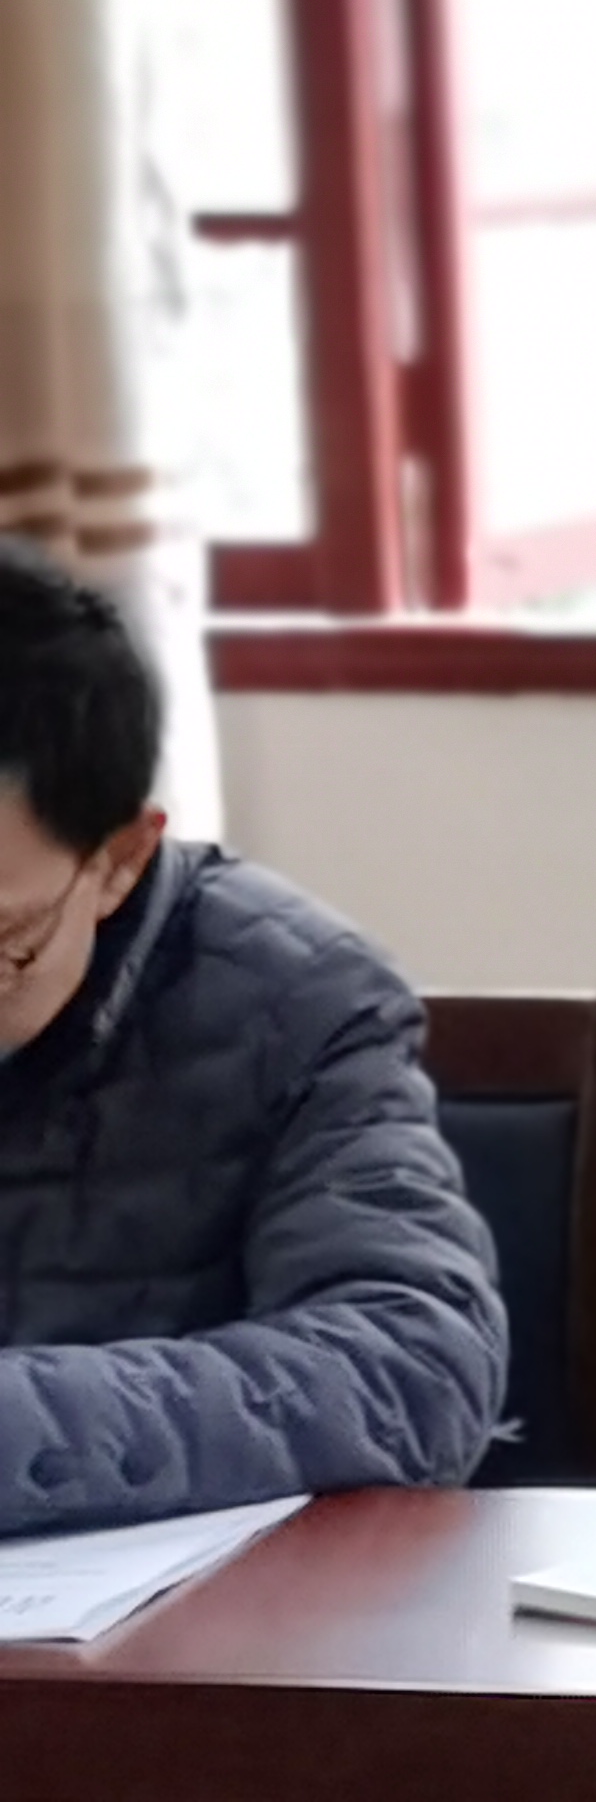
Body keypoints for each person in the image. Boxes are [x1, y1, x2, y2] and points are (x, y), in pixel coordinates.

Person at [0, 541, 505, 1530]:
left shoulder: (295, 1004)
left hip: (173, 1616)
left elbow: (413, 1372)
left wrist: (24, 1426)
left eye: (5, 943)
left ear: (118, 859)